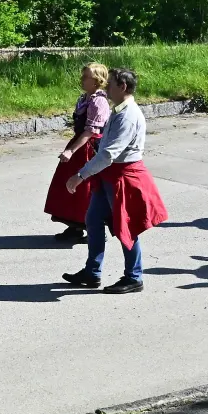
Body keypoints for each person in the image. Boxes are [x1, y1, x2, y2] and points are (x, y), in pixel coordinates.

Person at [62, 68, 169, 294]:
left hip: (122, 178)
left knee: (125, 228)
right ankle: (92, 272)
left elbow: (109, 155)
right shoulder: (119, 109)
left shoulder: (128, 115)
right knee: (93, 219)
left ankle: (134, 277)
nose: (106, 87)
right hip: (109, 177)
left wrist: (80, 175)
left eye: (110, 84)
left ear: (122, 87)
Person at [45, 63, 111, 242]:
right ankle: (75, 227)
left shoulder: (99, 102)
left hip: (90, 148)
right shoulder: (86, 98)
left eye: (86, 76)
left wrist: (70, 151)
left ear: (97, 81)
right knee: (69, 186)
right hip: (80, 144)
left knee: (87, 189)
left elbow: (90, 131)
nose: (82, 79)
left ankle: (95, 230)